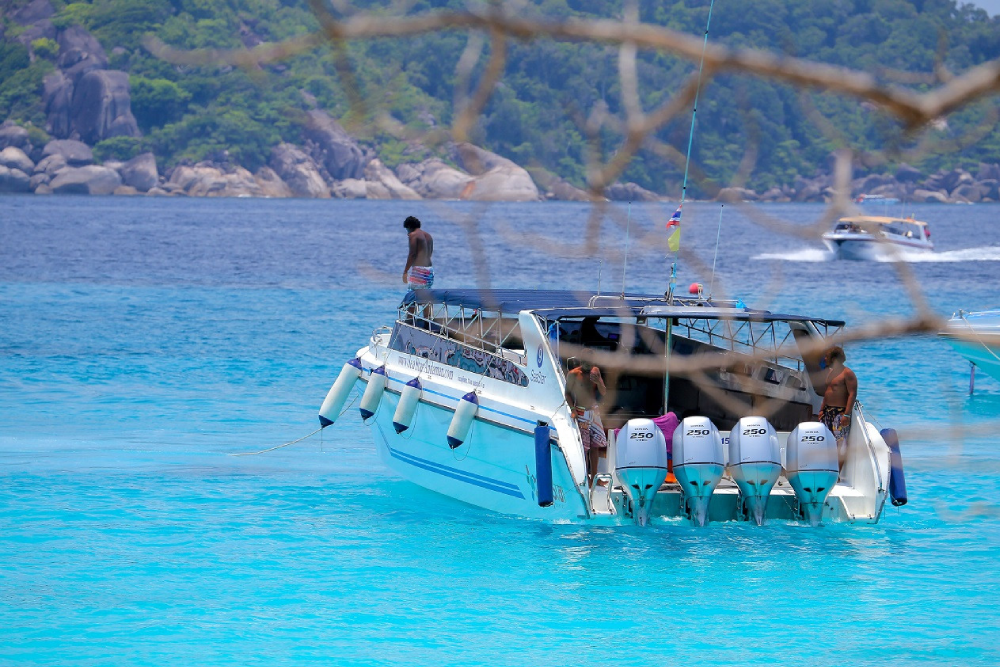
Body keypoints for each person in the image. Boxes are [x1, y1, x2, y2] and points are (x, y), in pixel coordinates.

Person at [565, 359, 607, 484]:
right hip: (581, 411)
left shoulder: (595, 371)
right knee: (584, 448)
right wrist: (573, 410)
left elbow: (603, 391)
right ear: (582, 362)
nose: (590, 367)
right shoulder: (573, 374)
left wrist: (599, 381)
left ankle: (595, 478)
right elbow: (567, 394)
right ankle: (585, 478)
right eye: (587, 364)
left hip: (594, 411)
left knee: (596, 446)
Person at [817, 346, 858, 467]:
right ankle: (828, 469)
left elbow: (852, 394)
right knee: (827, 443)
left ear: (834, 358)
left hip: (840, 413)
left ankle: (837, 474)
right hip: (827, 412)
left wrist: (846, 414)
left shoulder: (847, 373)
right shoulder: (830, 372)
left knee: (840, 445)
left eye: (827, 356)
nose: (825, 359)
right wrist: (821, 410)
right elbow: (828, 392)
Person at [402, 215, 434, 290]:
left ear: (409, 226)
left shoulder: (413, 235)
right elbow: (429, 254)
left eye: (407, 230)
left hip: (419, 271)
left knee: (411, 298)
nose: (407, 233)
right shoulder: (428, 236)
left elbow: (412, 254)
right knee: (424, 298)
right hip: (430, 270)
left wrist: (405, 271)